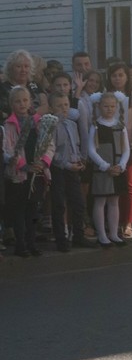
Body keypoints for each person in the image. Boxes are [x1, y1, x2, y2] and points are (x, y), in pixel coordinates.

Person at [2, 86, 54, 257]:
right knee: (19, 210)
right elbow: (9, 149)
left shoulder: (38, 122)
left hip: (37, 172)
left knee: (33, 209)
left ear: (30, 102)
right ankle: (21, 244)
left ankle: (31, 243)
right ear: (11, 104)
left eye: (25, 100)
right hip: (20, 174)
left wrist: (43, 163)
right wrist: (23, 165)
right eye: (17, 101)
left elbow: (49, 145)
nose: (22, 104)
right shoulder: (9, 125)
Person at [49, 92, 94, 252]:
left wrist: (80, 160)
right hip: (59, 169)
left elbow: (75, 144)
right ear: (52, 108)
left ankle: (78, 236)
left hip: (73, 168)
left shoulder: (72, 124)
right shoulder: (51, 125)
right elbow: (53, 153)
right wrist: (68, 165)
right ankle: (61, 239)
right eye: (59, 106)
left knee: (78, 203)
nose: (64, 109)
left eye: (66, 105)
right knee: (59, 204)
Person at [105, 63, 132, 239]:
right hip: (109, 146)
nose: (118, 79)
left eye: (121, 75)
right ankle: (113, 222)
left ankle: (127, 223)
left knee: (129, 184)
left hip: (128, 146)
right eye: (114, 75)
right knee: (111, 186)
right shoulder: (105, 97)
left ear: (127, 77)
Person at [87, 92, 130, 247]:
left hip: (117, 169)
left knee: (114, 201)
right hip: (102, 170)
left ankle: (113, 233)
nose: (109, 109)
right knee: (100, 201)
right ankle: (102, 234)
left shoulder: (120, 125)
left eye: (112, 106)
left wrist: (122, 165)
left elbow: (126, 148)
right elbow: (91, 150)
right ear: (99, 106)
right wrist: (104, 166)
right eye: (106, 106)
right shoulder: (96, 126)